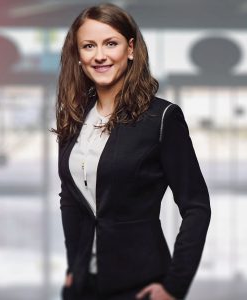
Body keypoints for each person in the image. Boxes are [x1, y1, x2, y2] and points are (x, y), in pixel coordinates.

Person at [51, 3, 211, 300]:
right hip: (83, 285)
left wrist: (174, 286)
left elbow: (197, 206)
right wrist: (74, 264)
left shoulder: (162, 118)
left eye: (111, 43)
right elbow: (70, 198)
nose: (100, 55)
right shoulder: (73, 116)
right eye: (88, 46)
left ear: (131, 49)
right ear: (78, 56)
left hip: (141, 284)